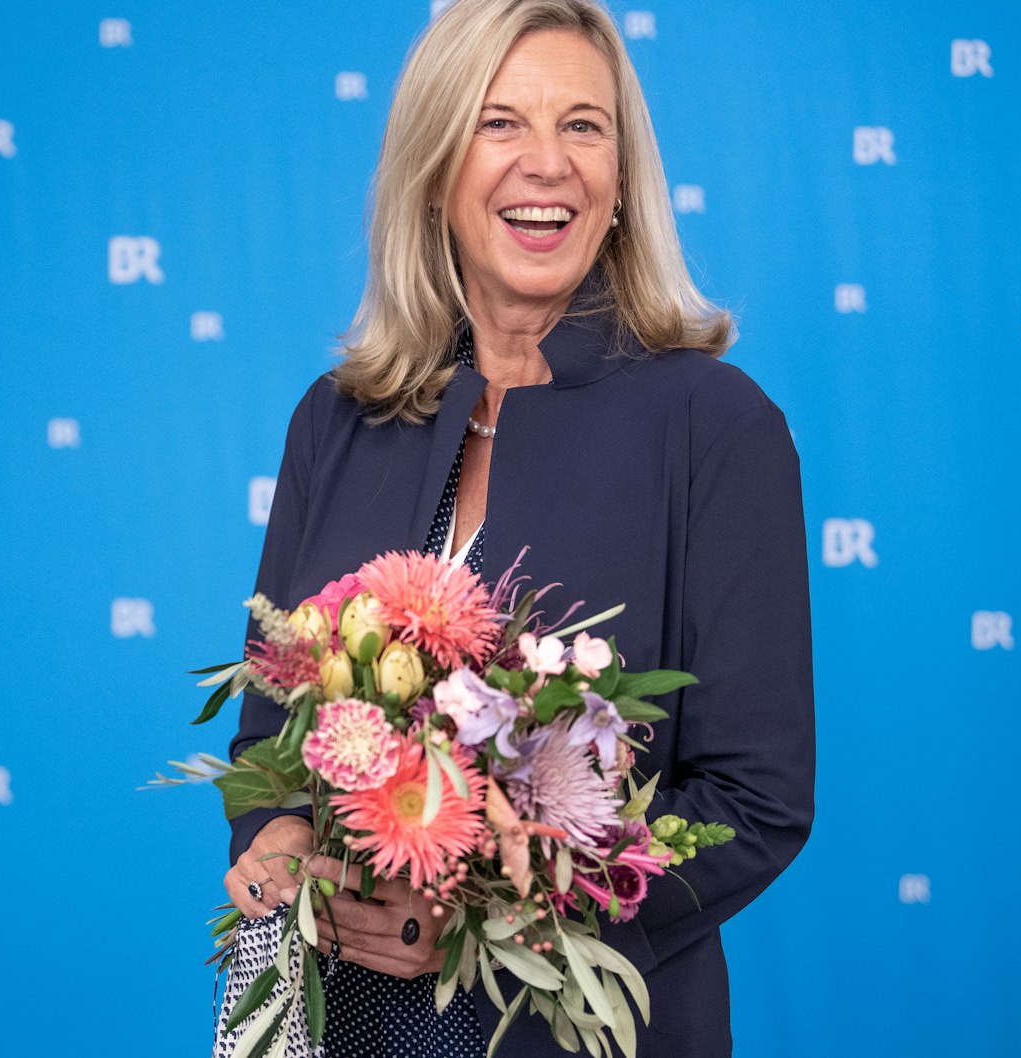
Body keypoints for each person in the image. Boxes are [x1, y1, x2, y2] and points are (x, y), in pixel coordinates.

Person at [218, 1, 816, 1056]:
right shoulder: (335, 420)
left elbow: (753, 800)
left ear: (621, 180)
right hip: (339, 1022)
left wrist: (496, 916)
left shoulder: (717, 426)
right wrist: (277, 835)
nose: (547, 163)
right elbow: (270, 732)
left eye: (583, 126)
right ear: (434, 168)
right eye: (500, 123)